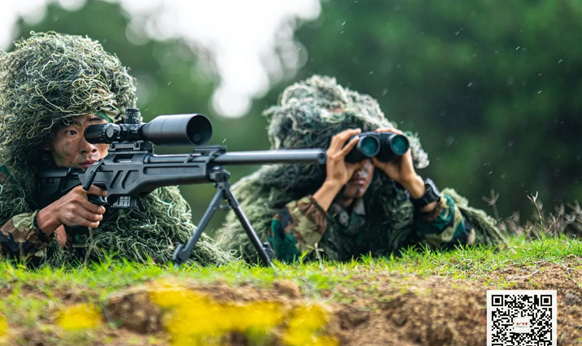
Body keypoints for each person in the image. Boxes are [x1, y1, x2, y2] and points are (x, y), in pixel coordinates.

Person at [0, 32, 230, 267]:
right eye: (72, 131)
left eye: (98, 130)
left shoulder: (146, 190)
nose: (89, 146)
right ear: (45, 139)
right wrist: (48, 218)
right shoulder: (9, 180)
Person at [216, 75, 505, 263]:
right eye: (353, 155)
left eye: (369, 156)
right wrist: (331, 184)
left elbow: (462, 244)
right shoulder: (280, 204)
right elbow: (273, 255)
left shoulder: (391, 210)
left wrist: (411, 181)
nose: (362, 167)